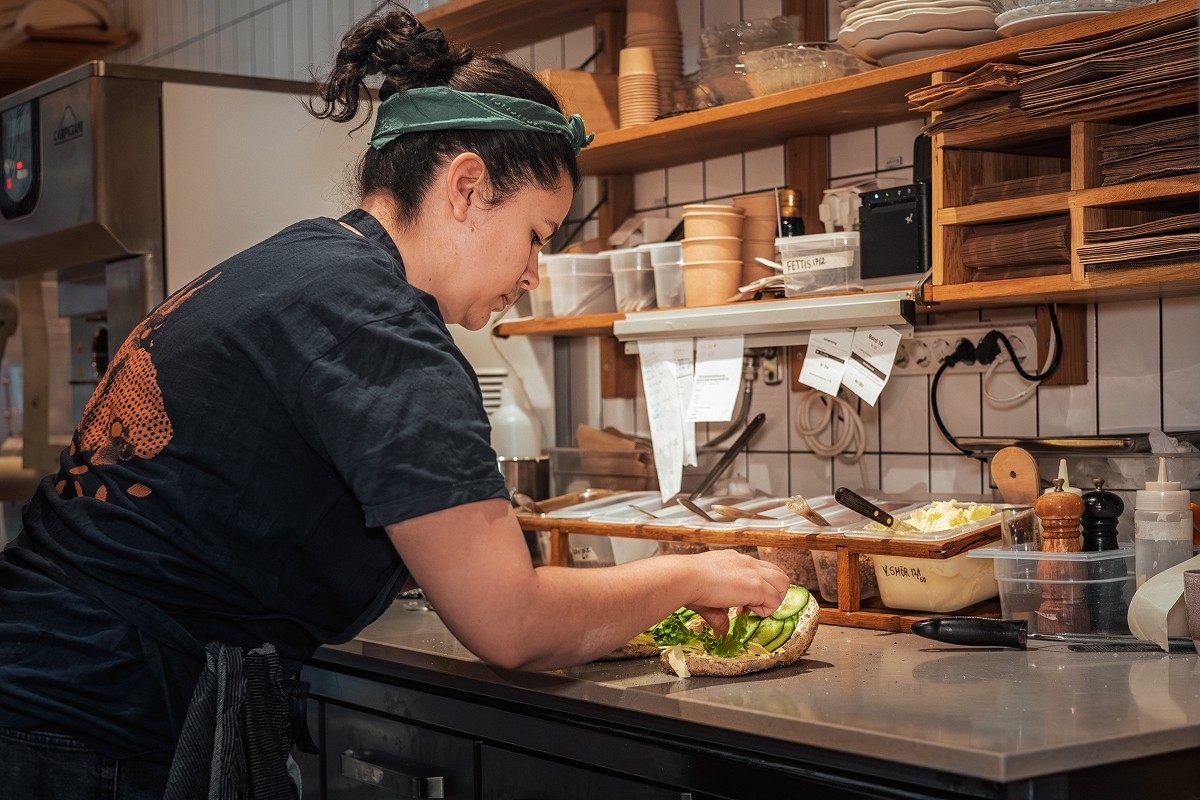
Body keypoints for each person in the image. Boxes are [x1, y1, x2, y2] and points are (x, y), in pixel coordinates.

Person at [0, 4, 790, 797]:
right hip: (92, 724)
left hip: (46, 678)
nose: (530, 275)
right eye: (539, 236)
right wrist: (690, 575)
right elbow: (510, 623)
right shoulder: (382, 327)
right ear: (468, 187)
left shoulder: (306, 261)